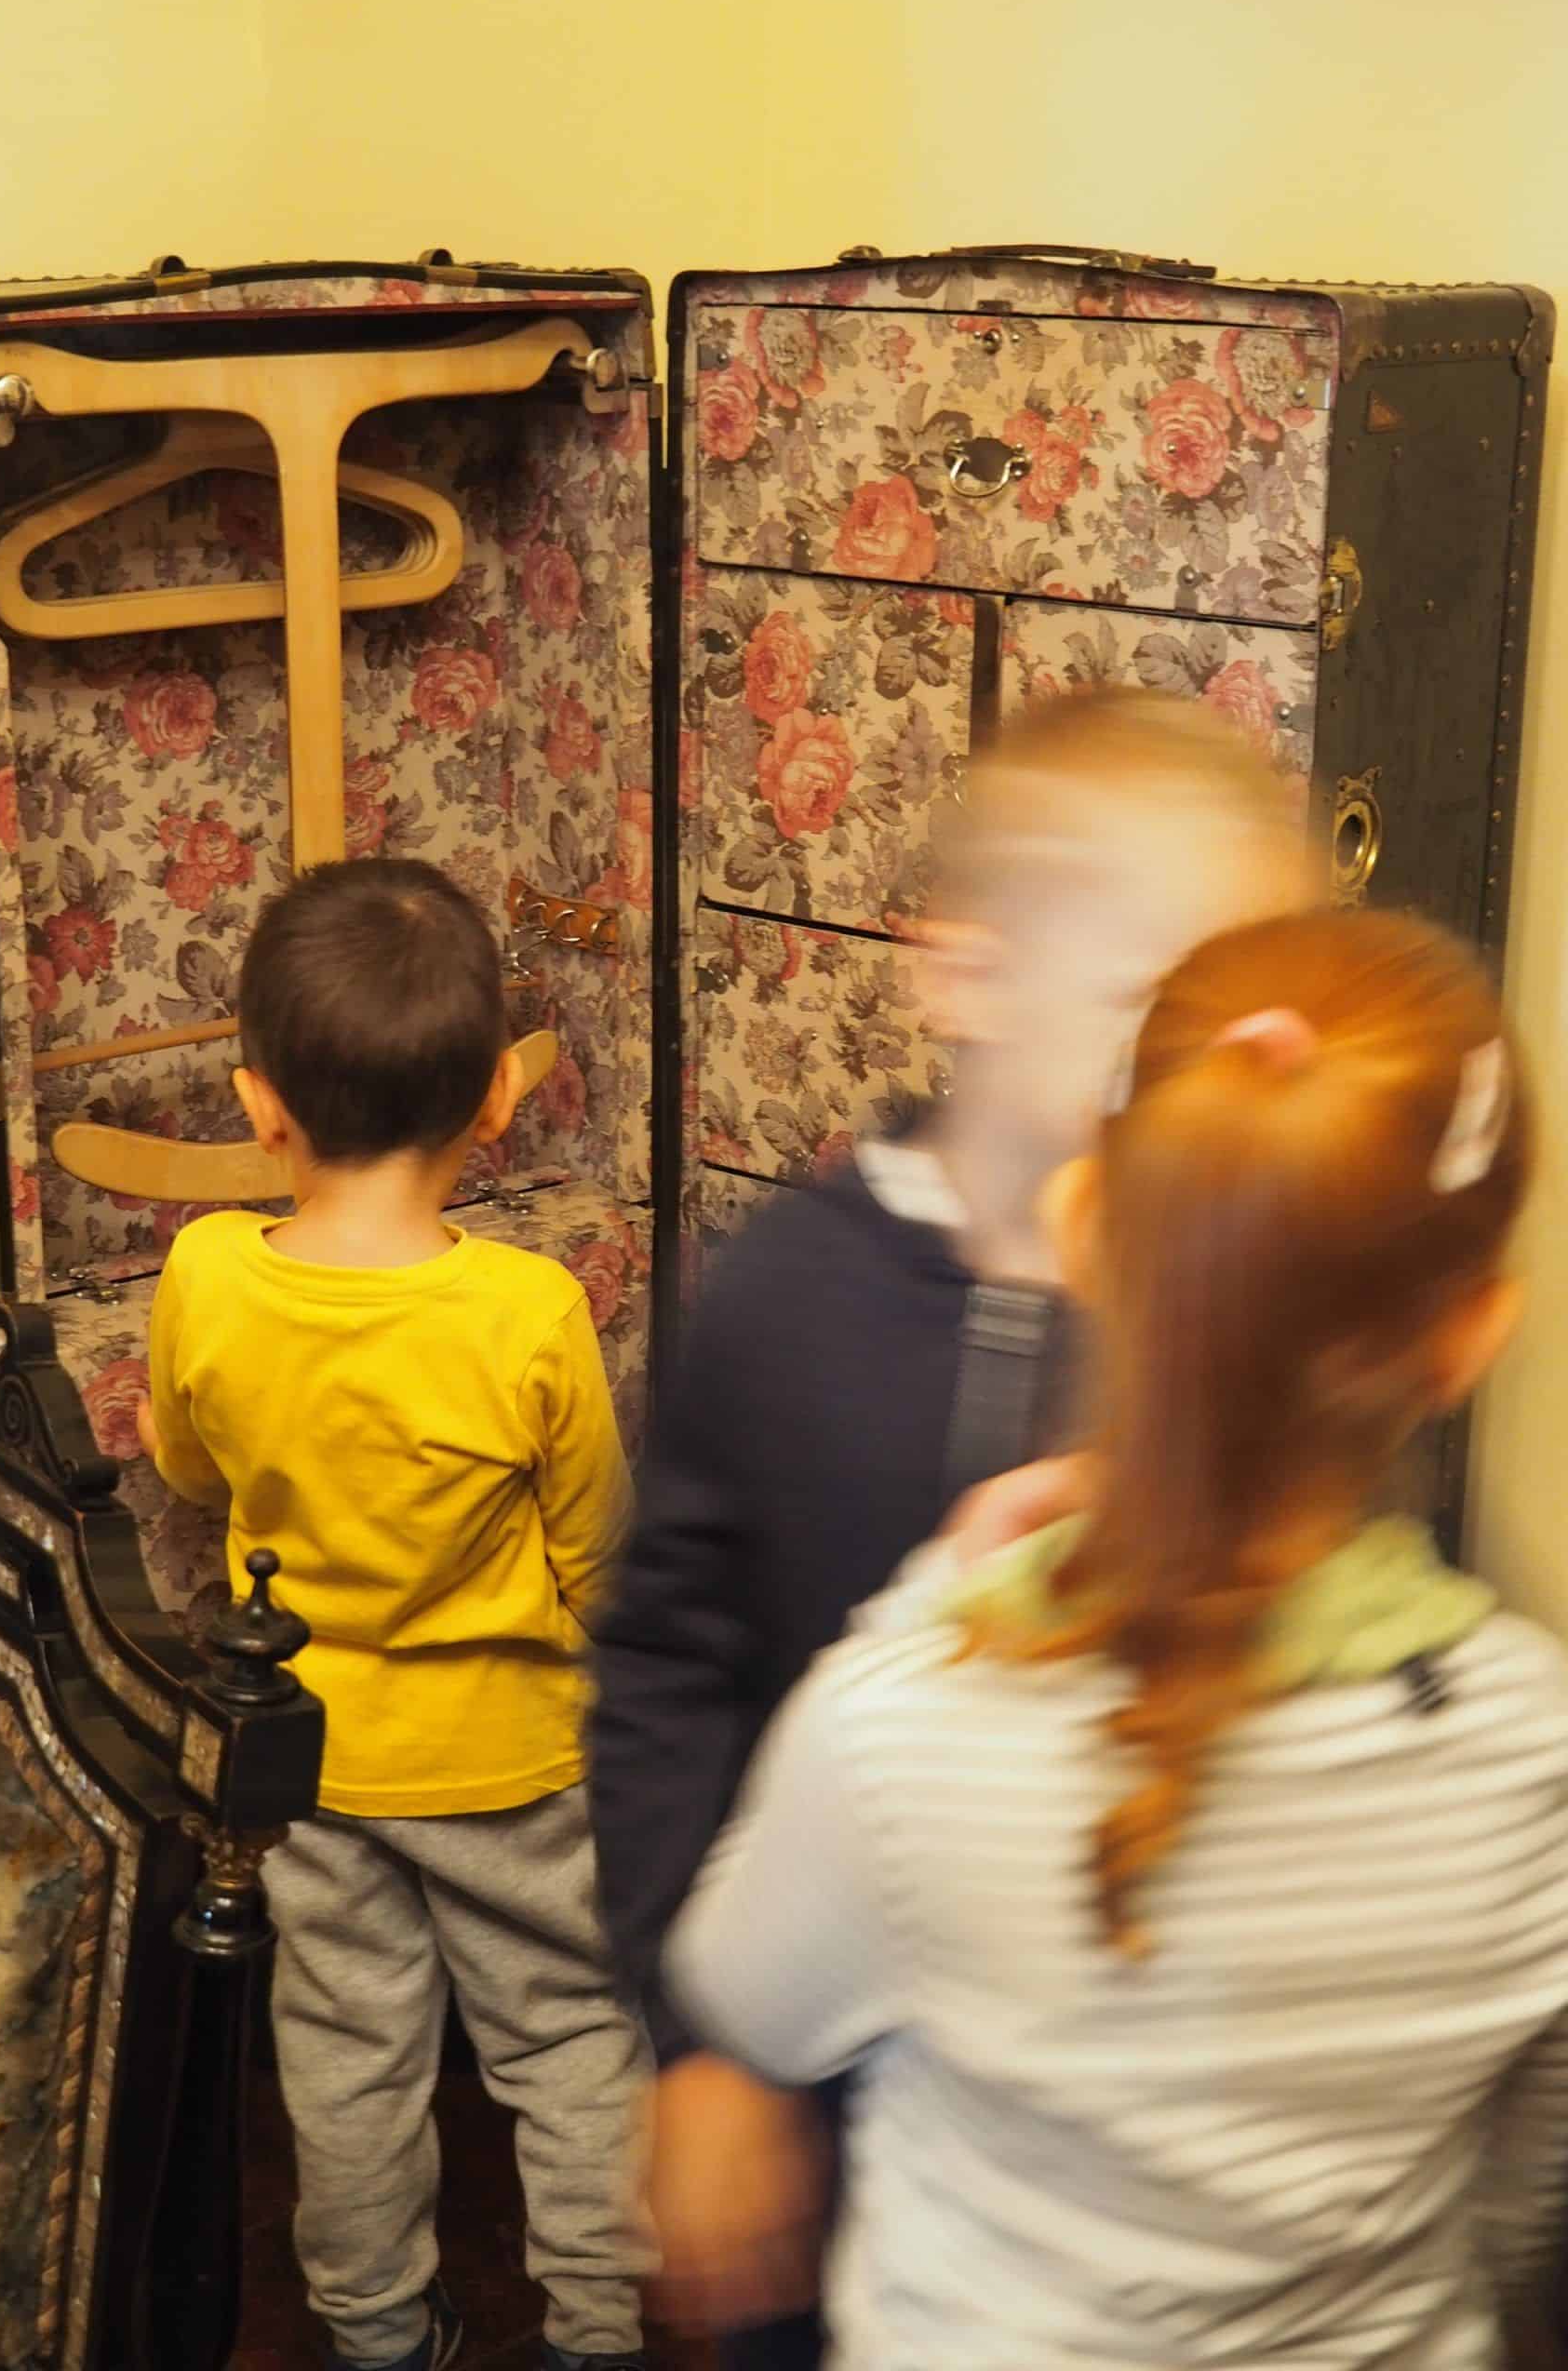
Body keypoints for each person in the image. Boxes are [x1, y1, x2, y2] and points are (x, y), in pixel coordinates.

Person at [668, 907, 1568, 2369]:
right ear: (1474, 1334)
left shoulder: (902, 1725)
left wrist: (926, 1601)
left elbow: (748, 1994)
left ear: (1087, 1233)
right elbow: (1517, 2210)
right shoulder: (1540, 1756)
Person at [589, 689, 1318, 2353]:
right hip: (821, 2109)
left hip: (1116, 2134)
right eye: (1156, 1005)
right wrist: (699, 2047)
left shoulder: (1231, 1320)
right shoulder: (780, 1301)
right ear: (966, 976)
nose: (1214, 1069)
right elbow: (669, 1679)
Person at [138, 857, 651, 2371]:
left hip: (310, 1762)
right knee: (568, 2034)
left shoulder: (205, 1272)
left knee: (348, 2054)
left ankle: (374, 2334)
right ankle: (598, 2332)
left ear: (258, 1104)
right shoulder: (528, 1311)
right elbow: (598, 1554)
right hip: (512, 1761)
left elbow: (189, 1466)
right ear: (499, 1096)